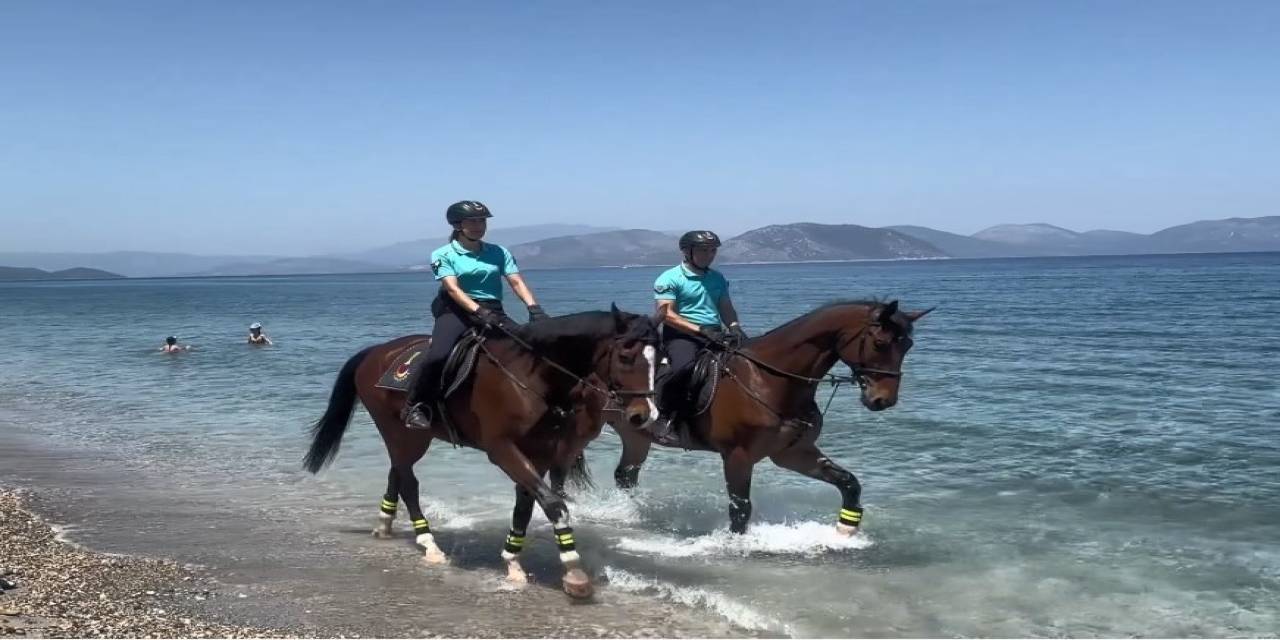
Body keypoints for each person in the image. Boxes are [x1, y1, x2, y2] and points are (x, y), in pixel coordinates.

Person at [401, 200, 549, 429]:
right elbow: (453, 289)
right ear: (459, 225)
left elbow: (516, 282)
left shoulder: (499, 252)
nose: (479, 226)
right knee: (438, 355)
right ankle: (417, 405)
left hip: (493, 309)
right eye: (473, 221)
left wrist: (534, 309)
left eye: (482, 221)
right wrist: (478, 311)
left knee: (528, 349)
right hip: (455, 310)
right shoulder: (444, 254)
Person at [648, 230, 746, 440]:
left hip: (715, 333)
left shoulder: (717, 278)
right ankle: (666, 417)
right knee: (683, 368)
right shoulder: (670, 278)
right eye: (704, 250)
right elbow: (667, 315)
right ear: (687, 251)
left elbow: (726, 307)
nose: (709, 255)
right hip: (682, 335)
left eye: (712, 250)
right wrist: (701, 330)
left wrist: (735, 326)